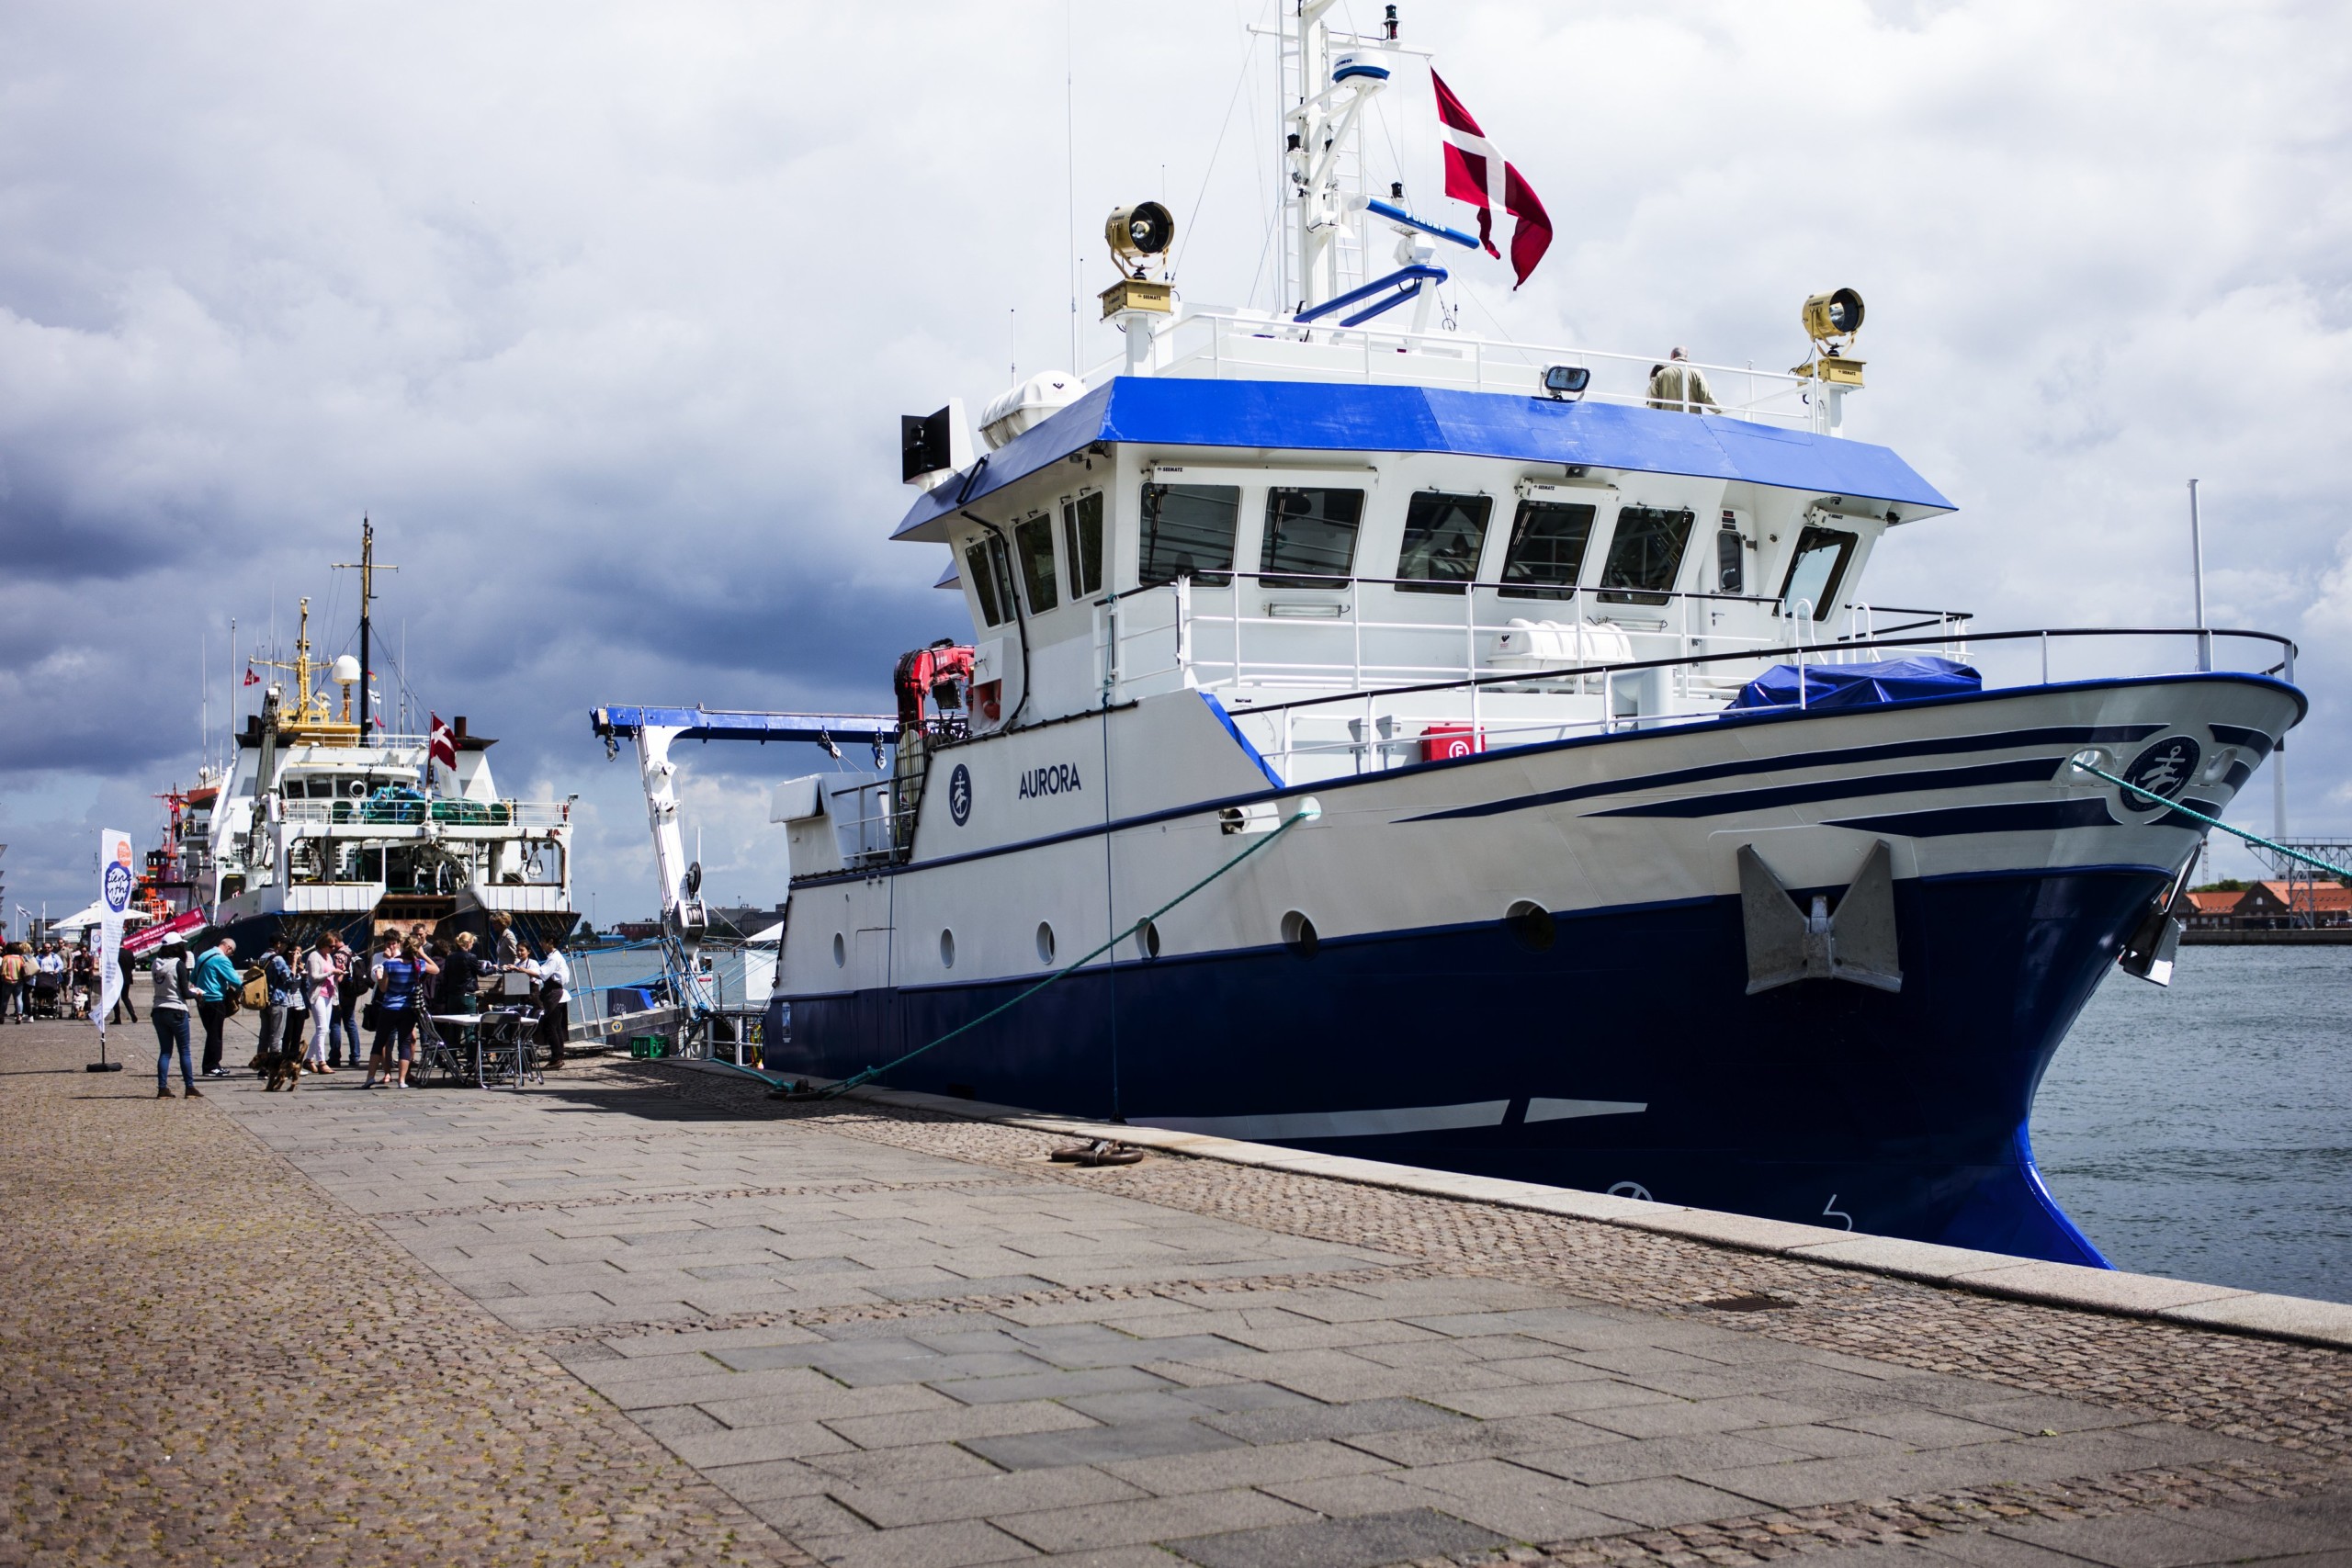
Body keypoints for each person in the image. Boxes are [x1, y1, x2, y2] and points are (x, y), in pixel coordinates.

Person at [365, 937, 435, 1089]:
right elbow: (436, 969)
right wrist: (422, 954)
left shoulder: (389, 964)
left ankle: (370, 1077)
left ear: (402, 946)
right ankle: (402, 1080)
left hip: (389, 1007)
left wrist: (380, 977)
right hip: (407, 1009)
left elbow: (383, 989)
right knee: (404, 1042)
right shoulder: (418, 965)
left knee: (380, 1041)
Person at [150, 934, 199, 1099]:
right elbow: (185, 993)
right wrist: (198, 995)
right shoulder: (178, 964)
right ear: (177, 947)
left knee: (165, 1052)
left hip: (158, 1009)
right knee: (184, 1050)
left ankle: (162, 1088)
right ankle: (189, 1087)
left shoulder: (156, 964)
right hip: (176, 1010)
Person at [192, 936, 242, 1077]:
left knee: (211, 1033)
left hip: (202, 1000)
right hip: (215, 999)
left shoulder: (203, 955)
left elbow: (193, 978)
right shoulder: (222, 959)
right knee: (216, 1034)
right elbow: (236, 981)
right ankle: (211, 1066)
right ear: (229, 948)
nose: (230, 956)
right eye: (231, 953)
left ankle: (210, 1064)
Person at [523, 939, 572, 1069]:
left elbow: (541, 974)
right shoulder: (555, 956)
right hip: (556, 993)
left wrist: (521, 969)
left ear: (550, 942)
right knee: (556, 1028)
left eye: (542, 942)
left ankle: (557, 1058)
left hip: (555, 994)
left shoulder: (554, 958)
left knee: (551, 1027)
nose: (541, 944)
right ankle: (559, 1056)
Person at [258, 934, 300, 1068]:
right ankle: (274, 1068)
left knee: (264, 1036)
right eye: (285, 945)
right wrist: (294, 962)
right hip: (278, 1001)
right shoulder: (278, 960)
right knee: (276, 1037)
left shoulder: (263, 957)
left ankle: (262, 1068)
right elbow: (289, 980)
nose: (286, 948)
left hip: (265, 1001)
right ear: (278, 944)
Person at [1645, 346, 1717, 413]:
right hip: (1692, 419)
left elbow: (1653, 402)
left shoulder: (1661, 374)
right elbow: (1707, 399)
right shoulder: (1697, 372)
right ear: (1686, 357)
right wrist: (1722, 411)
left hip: (1667, 419)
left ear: (1673, 355)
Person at [302, 935, 337, 1073]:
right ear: (323, 945)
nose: (333, 949)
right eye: (331, 946)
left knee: (323, 1029)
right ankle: (321, 1062)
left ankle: (309, 1059)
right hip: (318, 995)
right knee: (322, 1028)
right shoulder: (314, 956)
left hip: (329, 994)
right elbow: (313, 977)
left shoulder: (329, 957)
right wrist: (331, 972)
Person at [327, 932, 362, 1067]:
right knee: (351, 1023)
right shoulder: (351, 952)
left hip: (340, 993)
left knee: (335, 1024)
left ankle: (335, 1057)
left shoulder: (338, 956)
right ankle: (355, 1056)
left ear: (335, 940)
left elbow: (339, 978)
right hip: (351, 993)